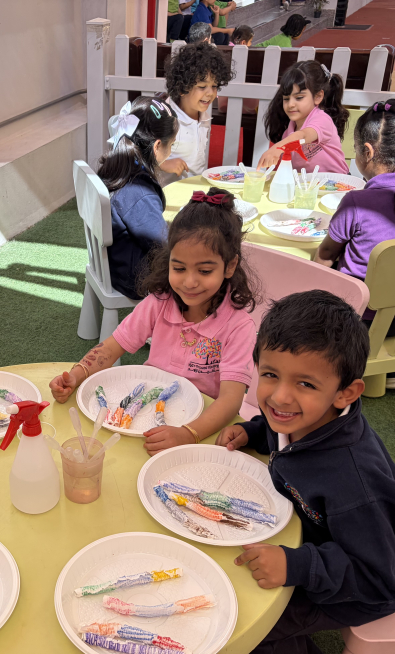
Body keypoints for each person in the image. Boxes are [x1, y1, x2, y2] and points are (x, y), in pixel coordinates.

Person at [219, 290, 395, 654]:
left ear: (345, 393)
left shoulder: (354, 482)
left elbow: (377, 578)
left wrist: (298, 566)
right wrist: (253, 432)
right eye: (270, 374)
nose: (279, 397)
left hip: (371, 578)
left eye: (305, 384)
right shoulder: (306, 419)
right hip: (329, 540)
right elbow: (279, 429)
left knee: (255, 621)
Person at [49, 188, 257, 456]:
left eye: (205, 271)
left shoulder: (238, 327)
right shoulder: (159, 303)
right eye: (178, 268)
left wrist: (188, 433)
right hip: (145, 415)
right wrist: (76, 375)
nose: (189, 282)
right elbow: (111, 347)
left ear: (229, 266)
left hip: (203, 429)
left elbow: (230, 400)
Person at [314, 100, 395, 390]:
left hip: (355, 324)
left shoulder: (357, 202)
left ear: (367, 152)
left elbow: (325, 255)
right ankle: (392, 372)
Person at [99, 97, 179, 299]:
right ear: (157, 146)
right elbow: (162, 246)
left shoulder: (118, 165)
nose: (170, 151)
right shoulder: (139, 193)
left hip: (113, 261)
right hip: (133, 277)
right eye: (171, 145)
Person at [257, 60, 349, 175]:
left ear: (318, 97)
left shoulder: (322, 119)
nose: (290, 104)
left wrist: (277, 148)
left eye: (299, 97)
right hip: (307, 183)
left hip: (337, 182)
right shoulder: (288, 132)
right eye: (286, 98)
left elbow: (303, 135)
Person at [161, 42, 234, 181]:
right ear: (182, 88)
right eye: (202, 87)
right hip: (165, 191)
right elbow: (134, 154)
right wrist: (162, 164)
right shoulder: (164, 117)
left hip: (195, 189)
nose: (210, 93)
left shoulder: (203, 118)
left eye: (214, 86)